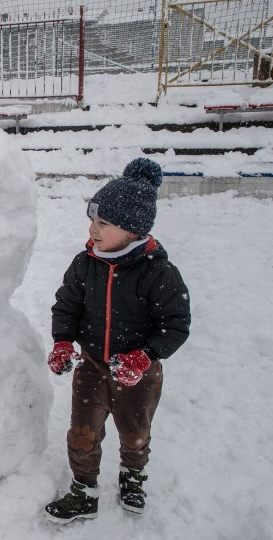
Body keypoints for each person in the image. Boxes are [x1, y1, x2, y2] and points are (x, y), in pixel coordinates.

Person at [42, 158, 191, 523]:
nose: (92, 229)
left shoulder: (158, 272)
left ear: (132, 229)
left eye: (103, 223)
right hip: (92, 365)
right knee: (82, 432)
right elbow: (66, 306)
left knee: (135, 433)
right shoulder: (84, 263)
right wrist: (63, 342)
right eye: (92, 220)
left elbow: (175, 324)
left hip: (138, 374)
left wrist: (145, 357)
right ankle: (83, 491)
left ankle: (133, 478)